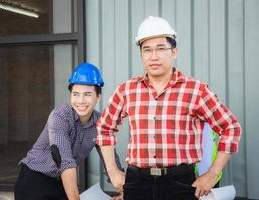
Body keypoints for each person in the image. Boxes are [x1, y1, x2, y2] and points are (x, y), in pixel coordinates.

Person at [96, 16, 242, 200]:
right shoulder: (126, 90)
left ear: (174, 52)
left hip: (180, 183)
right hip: (137, 183)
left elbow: (231, 128)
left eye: (161, 48)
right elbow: (104, 128)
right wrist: (113, 171)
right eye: (147, 50)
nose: (153, 56)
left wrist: (212, 175)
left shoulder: (196, 90)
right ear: (141, 54)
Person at [14, 62, 109, 200]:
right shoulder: (59, 116)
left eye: (87, 94)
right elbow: (64, 160)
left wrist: (122, 190)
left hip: (60, 182)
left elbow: (110, 159)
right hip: (34, 179)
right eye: (76, 94)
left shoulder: (100, 122)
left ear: (98, 97)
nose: (80, 101)